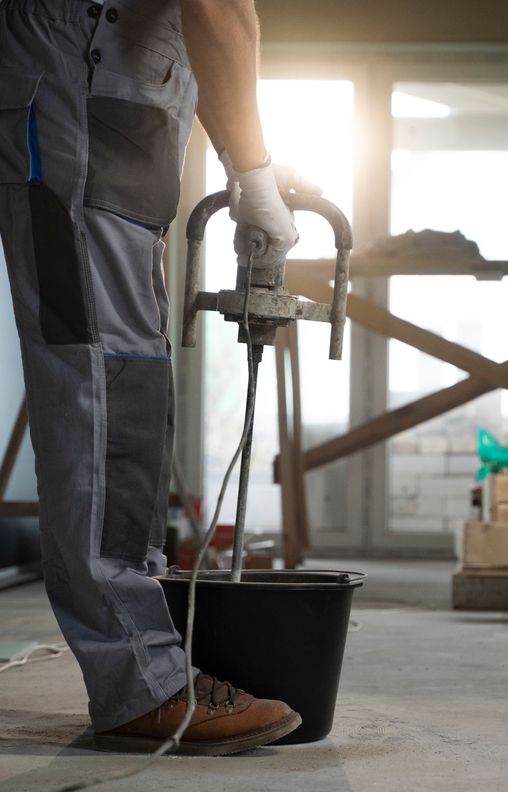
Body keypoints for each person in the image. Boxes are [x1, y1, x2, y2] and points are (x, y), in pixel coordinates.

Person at [0, 0, 312, 755]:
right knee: (107, 387)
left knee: (126, 380)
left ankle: (145, 661)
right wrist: (251, 165)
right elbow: (217, 7)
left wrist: (250, 156)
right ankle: (141, 683)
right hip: (84, 90)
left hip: (117, 102)